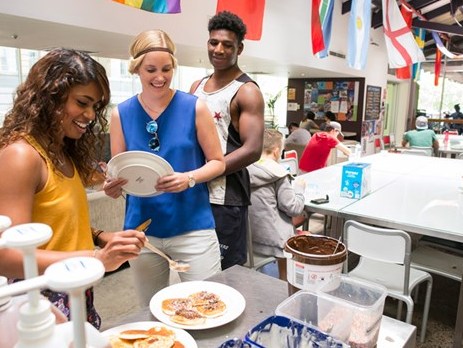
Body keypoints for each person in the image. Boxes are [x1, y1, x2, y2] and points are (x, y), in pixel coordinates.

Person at [0, 48, 146, 328]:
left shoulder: (62, 152)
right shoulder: (21, 156)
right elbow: (6, 256)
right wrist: (97, 258)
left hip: (75, 283)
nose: (90, 115)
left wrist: (101, 237)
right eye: (82, 102)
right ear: (50, 97)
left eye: (96, 106)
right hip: (38, 299)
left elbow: (56, 223)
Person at [103, 29, 225, 306]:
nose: (160, 77)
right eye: (151, 70)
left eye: (167, 69)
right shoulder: (120, 114)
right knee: (152, 309)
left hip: (193, 227)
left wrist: (189, 178)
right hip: (142, 232)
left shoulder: (195, 107)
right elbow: (119, 173)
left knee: (208, 304)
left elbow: (218, 162)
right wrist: (111, 187)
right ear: (136, 69)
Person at [190, 11, 265, 269]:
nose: (218, 49)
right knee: (193, 267)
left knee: (224, 272)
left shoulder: (247, 91)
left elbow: (253, 150)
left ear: (239, 48)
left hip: (226, 196)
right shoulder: (196, 86)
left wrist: (208, 171)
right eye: (214, 42)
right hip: (194, 191)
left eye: (227, 45)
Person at [248, 129, 306, 280]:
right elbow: (293, 208)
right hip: (275, 242)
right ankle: (284, 283)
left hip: (249, 239)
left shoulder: (244, 170)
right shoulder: (279, 174)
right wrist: (299, 190)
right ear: (275, 151)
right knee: (302, 218)